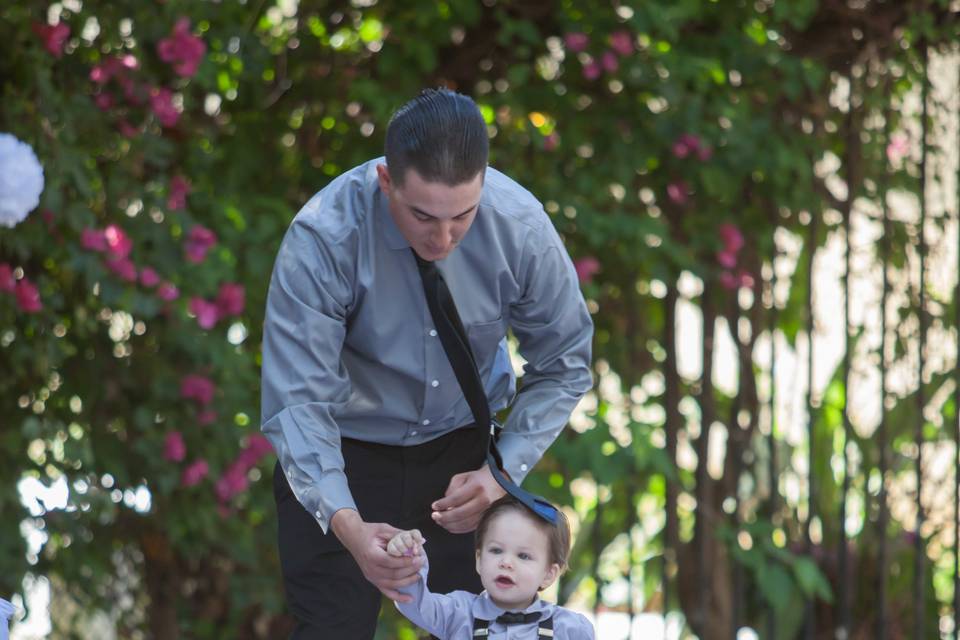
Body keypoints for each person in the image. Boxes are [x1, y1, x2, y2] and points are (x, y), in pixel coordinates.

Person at [261, 88, 593, 638]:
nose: (442, 239)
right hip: (344, 455)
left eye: (463, 216)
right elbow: (298, 402)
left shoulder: (521, 227)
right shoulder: (323, 236)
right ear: (387, 180)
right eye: (422, 216)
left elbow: (565, 362)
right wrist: (346, 524)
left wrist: (500, 473)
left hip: (465, 460)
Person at [387, 495, 595, 639]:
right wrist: (408, 561)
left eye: (523, 556)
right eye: (496, 551)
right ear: (479, 559)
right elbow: (415, 603)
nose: (506, 562)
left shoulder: (570, 628)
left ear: (549, 574)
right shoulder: (458, 613)